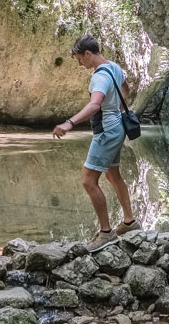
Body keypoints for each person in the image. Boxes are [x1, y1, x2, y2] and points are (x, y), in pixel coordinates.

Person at [51, 34, 139, 249]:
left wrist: (69, 123)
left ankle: (106, 232)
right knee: (112, 173)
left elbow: (94, 105)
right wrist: (117, 109)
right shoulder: (115, 68)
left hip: (107, 132)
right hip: (118, 127)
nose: (80, 64)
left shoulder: (99, 77)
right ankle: (129, 222)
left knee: (88, 181)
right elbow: (125, 90)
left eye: (80, 59)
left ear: (87, 53)